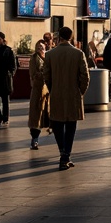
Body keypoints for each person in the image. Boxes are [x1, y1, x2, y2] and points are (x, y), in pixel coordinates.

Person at [42, 26, 89, 170]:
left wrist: (53, 89)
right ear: (71, 37)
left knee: (57, 124)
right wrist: (79, 92)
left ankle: (63, 152)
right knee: (70, 126)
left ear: (59, 37)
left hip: (56, 94)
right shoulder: (78, 53)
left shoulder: (50, 54)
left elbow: (46, 76)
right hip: (73, 95)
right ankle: (66, 155)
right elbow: (85, 77)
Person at [27, 39, 51, 149]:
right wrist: (44, 75)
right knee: (36, 114)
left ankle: (51, 127)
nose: (40, 48)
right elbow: (33, 73)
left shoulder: (49, 56)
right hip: (38, 89)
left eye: (41, 46)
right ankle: (35, 138)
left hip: (48, 90)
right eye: (38, 47)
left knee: (48, 112)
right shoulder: (34, 58)